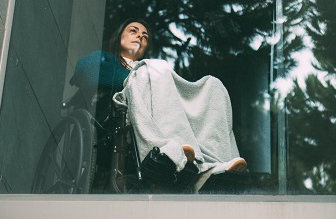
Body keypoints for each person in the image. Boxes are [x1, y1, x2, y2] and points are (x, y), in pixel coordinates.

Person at [73, 18, 248, 193]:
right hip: (114, 113)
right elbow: (84, 71)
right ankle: (170, 151)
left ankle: (214, 166)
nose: (140, 37)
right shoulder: (106, 59)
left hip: (156, 107)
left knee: (213, 85)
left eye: (144, 36)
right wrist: (134, 74)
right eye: (133, 31)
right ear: (119, 37)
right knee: (152, 68)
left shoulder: (151, 71)